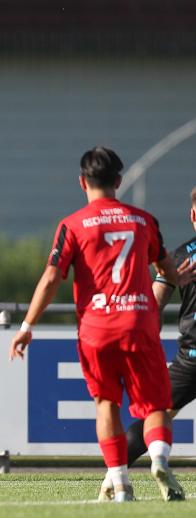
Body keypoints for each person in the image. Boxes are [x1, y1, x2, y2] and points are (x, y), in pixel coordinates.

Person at [9, 146, 184, 502]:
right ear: (118, 181)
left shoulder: (72, 225)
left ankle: (120, 484)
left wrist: (27, 326)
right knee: (155, 406)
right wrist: (174, 277)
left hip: (96, 328)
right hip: (138, 321)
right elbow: (166, 269)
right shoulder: (144, 221)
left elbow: (51, 277)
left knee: (106, 403)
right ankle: (159, 459)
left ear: (82, 182)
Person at [112, 187, 196, 478]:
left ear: (193, 215)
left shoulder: (181, 256)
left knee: (156, 414)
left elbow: (154, 304)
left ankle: (114, 475)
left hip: (191, 358)